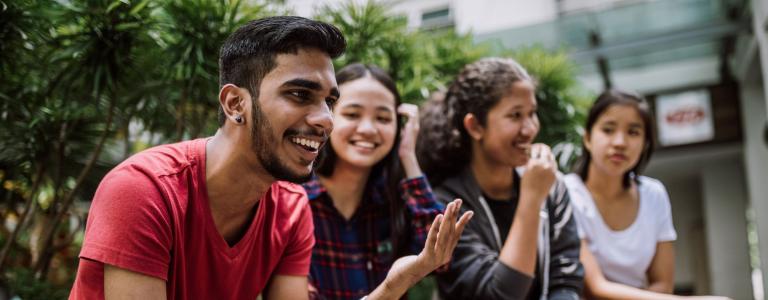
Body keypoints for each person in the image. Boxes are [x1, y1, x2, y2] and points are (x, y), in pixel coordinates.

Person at [69, 16, 467, 300]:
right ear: (234, 103)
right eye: (299, 95)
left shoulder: (291, 210)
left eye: (329, 101)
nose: (326, 120)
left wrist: (396, 284)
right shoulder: (143, 190)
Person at [417, 57, 584, 300]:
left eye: (532, 113)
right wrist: (531, 198)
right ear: (475, 126)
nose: (529, 129)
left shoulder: (552, 186)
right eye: (515, 115)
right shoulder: (447, 206)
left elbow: (567, 282)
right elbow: (500, 294)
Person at [303, 63, 472, 299]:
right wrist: (393, 287)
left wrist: (408, 157)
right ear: (328, 116)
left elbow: (439, 259)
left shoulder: (393, 198)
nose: (368, 129)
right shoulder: (294, 201)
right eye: (352, 114)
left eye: (383, 118)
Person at [563, 90, 731, 300]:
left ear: (645, 144)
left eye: (633, 132)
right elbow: (595, 288)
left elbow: (662, 284)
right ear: (587, 138)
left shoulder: (654, 194)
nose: (620, 142)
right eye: (608, 130)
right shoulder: (566, 193)